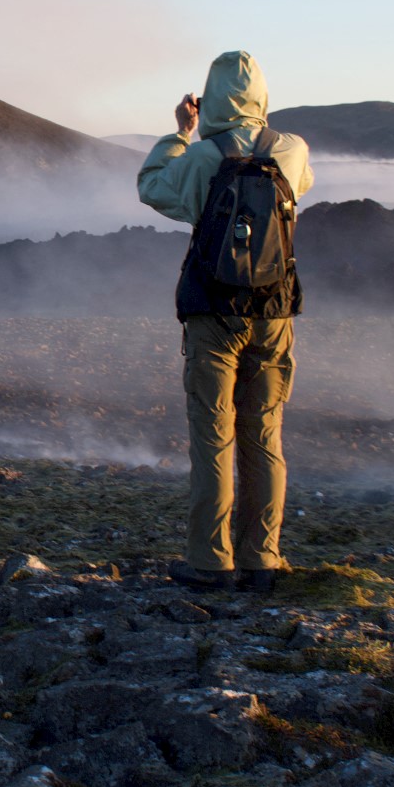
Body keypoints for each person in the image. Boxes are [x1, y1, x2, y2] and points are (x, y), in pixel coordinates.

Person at [137, 50, 314, 595]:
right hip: (274, 312)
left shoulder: (203, 156)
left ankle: (210, 561)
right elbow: (300, 188)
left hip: (214, 312)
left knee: (214, 437)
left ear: (209, 99)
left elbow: (152, 187)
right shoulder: (291, 150)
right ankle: (263, 557)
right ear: (262, 94)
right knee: (263, 433)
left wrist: (180, 134)